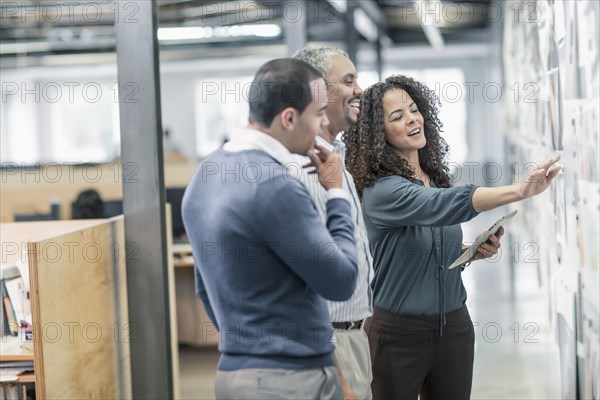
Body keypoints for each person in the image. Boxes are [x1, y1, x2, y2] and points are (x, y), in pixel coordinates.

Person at [343, 74, 561, 400]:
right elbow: (444, 206)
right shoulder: (383, 191)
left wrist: (470, 251)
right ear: (379, 134)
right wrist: (519, 190)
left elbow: (426, 247)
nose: (413, 119)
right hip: (397, 336)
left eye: (414, 109)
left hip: (455, 328)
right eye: (397, 117)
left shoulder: (436, 178)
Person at [182, 58, 359, 400]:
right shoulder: (275, 185)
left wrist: (249, 346)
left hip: (237, 373)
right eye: (319, 113)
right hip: (291, 380)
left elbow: (204, 289)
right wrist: (336, 192)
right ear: (289, 118)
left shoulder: (207, 174)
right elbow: (341, 280)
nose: (324, 122)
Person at [293, 46, 373, 400]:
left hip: (353, 336)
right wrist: (334, 369)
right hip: (331, 341)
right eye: (349, 81)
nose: (359, 91)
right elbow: (300, 285)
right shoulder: (304, 171)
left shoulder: (334, 164)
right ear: (318, 93)